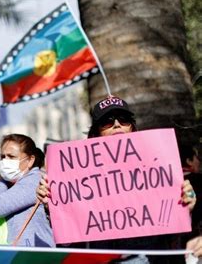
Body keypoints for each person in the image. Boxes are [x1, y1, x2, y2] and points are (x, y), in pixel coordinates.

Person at [37, 96, 197, 262]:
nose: (116, 124)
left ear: (132, 128)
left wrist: (186, 206)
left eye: (124, 119)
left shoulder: (158, 168)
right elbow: (70, 243)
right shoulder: (79, 180)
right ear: (96, 133)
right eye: (107, 121)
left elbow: (175, 237)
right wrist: (54, 207)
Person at [180, 145, 202, 249]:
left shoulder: (166, 181)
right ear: (189, 161)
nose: (200, 161)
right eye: (197, 157)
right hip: (194, 240)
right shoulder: (198, 180)